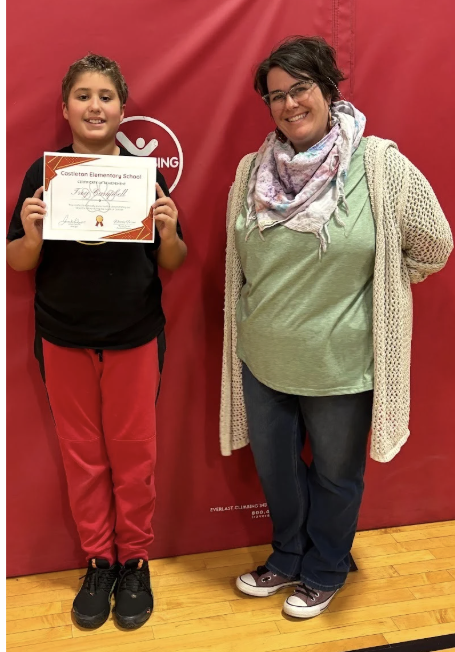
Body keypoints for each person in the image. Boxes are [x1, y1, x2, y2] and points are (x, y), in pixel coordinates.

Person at [221, 36, 453, 619]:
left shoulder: (378, 165)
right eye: (276, 95)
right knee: (277, 472)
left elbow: (434, 243)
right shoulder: (252, 172)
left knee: (336, 475)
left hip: (343, 363)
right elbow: (240, 265)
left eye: (301, 88)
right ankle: (288, 555)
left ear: (327, 89)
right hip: (263, 357)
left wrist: (386, 286)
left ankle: (325, 568)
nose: (289, 104)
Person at [6, 54, 187, 631]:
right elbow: (16, 262)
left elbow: (175, 262)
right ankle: (99, 559)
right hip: (63, 336)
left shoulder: (145, 175)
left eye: (105, 96)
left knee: (134, 457)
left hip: (134, 336)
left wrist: (169, 229)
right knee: (84, 458)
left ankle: (135, 559)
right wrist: (32, 232)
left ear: (123, 109)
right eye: (82, 96)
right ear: (65, 109)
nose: (94, 106)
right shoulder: (43, 173)